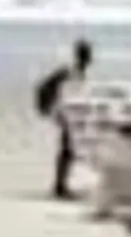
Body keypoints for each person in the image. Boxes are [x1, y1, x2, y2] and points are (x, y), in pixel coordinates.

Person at [34, 39, 94, 199]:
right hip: (62, 112)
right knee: (68, 148)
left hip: (69, 113)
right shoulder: (68, 72)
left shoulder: (79, 73)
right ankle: (59, 187)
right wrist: (47, 108)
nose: (89, 58)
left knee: (70, 148)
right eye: (86, 54)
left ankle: (61, 185)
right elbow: (44, 87)